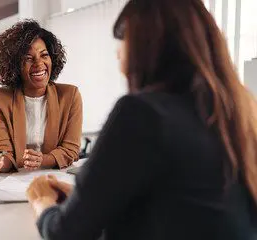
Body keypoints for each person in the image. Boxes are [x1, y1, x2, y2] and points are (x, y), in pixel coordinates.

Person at [26, 0, 257, 239]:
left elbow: (66, 233)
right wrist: (89, 198)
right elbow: (185, 207)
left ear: (146, 46)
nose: (118, 53)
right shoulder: (237, 112)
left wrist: (42, 201)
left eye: (124, 40)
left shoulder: (143, 113)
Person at [0, 20, 83, 173]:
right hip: (14, 181)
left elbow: (70, 150)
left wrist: (43, 160)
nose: (39, 64)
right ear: (14, 65)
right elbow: (3, 151)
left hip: (55, 177)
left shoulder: (70, 96)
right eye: (28, 58)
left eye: (44, 55)